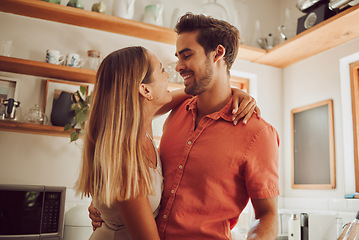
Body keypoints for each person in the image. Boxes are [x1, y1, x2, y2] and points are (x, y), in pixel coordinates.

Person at [77, 46, 258, 239]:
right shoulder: (126, 164)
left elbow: (194, 92)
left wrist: (232, 93)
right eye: (162, 70)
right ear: (145, 90)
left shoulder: (139, 125)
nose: (169, 76)